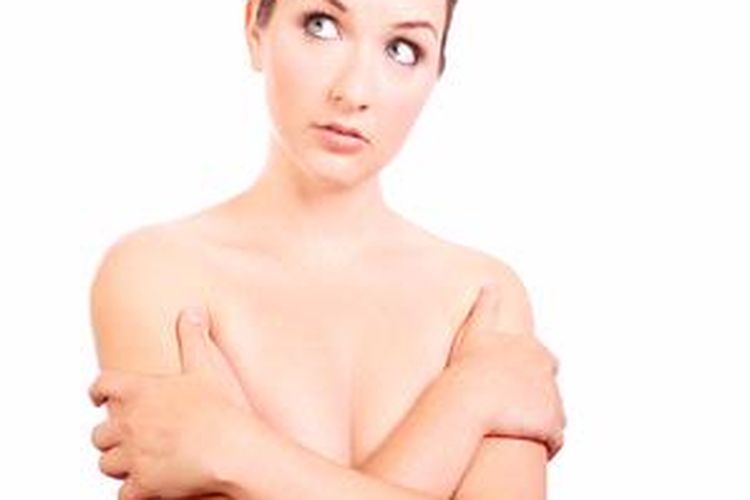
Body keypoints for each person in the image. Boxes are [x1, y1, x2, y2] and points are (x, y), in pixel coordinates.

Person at [88, 0, 566, 498]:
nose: (354, 91)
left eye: (403, 49)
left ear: (436, 74)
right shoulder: (155, 274)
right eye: (322, 25)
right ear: (255, 27)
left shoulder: (483, 296)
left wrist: (235, 453)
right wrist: (464, 404)